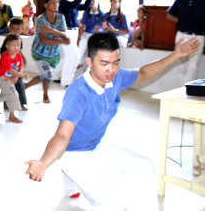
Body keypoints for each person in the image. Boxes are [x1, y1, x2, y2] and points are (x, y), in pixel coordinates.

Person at [24, 32, 200, 210]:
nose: (112, 69)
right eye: (104, 63)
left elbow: (143, 72)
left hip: (98, 144)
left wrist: (176, 54)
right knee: (110, 204)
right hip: (73, 153)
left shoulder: (116, 77)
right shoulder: (78, 92)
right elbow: (62, 134)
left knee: (145, 167)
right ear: (90, 62)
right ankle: (71, 175)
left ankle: (75, 182)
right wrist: (43, 162)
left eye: (116, 62)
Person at [26, 0, 70, 103]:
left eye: (57, 2)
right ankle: (45, 95)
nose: (56, 4)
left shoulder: (61, 18)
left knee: (45, 74)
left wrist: (51, 30)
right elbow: (43, 40)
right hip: (39, 53)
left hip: (53, 54)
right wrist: (61, 40)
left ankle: (26, 86)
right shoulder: (41, 19)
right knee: (48, 74)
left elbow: (64, 34)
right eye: (53, 2)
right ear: (46, 5)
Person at [167, 0, 205, 85]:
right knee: (180, 64)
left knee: (193, 65)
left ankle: (187, 90)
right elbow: (169, 14)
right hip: (182, 35)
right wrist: (182, 22)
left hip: (198, 36)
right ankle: (181, 88)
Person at [56, 0, 94, 87]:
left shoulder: (71, 2)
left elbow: (84, 7)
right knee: (75, 55)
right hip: (66, 32)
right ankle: (66, 81)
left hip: (73, 32)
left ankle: (56, 77)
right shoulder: (63, 3)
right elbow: (74, 4)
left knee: (66, 58)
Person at [0, 33, 28, 123]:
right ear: (7, 46)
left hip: (11, 78)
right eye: (13, 45)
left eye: (18, 45)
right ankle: (12, 116)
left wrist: (17, 76)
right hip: (3, 78)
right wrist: (21, 76)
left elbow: (21, 66)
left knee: (5, 94)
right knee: (13, 94)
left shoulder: (18, 55)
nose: (16, 47)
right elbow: (10, 71)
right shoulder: (5, 57)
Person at [0, 18, 29, 110]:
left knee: (20, 84)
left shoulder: (19, 40)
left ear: (22, 30)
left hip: (15, 66)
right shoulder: (8, 40)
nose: (15, 31)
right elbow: (2, 51)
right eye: (13, 28)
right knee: (8, 86)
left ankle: (22, 103)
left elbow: (19, 51)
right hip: (7, 67)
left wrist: (22, 58)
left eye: (18, 29)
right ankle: (6, 103)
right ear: (9, 28)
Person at [78, 0, 103, 66]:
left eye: (93, 1)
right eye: (91, 1)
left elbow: (96, 28)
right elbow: (82, 25)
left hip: (96, 35)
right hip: (87, 33)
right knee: (82, 42)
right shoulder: (86, 12)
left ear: (98, 2)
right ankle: (79, 62)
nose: (91, 2)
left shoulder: (101, 14)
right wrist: (79, 38)